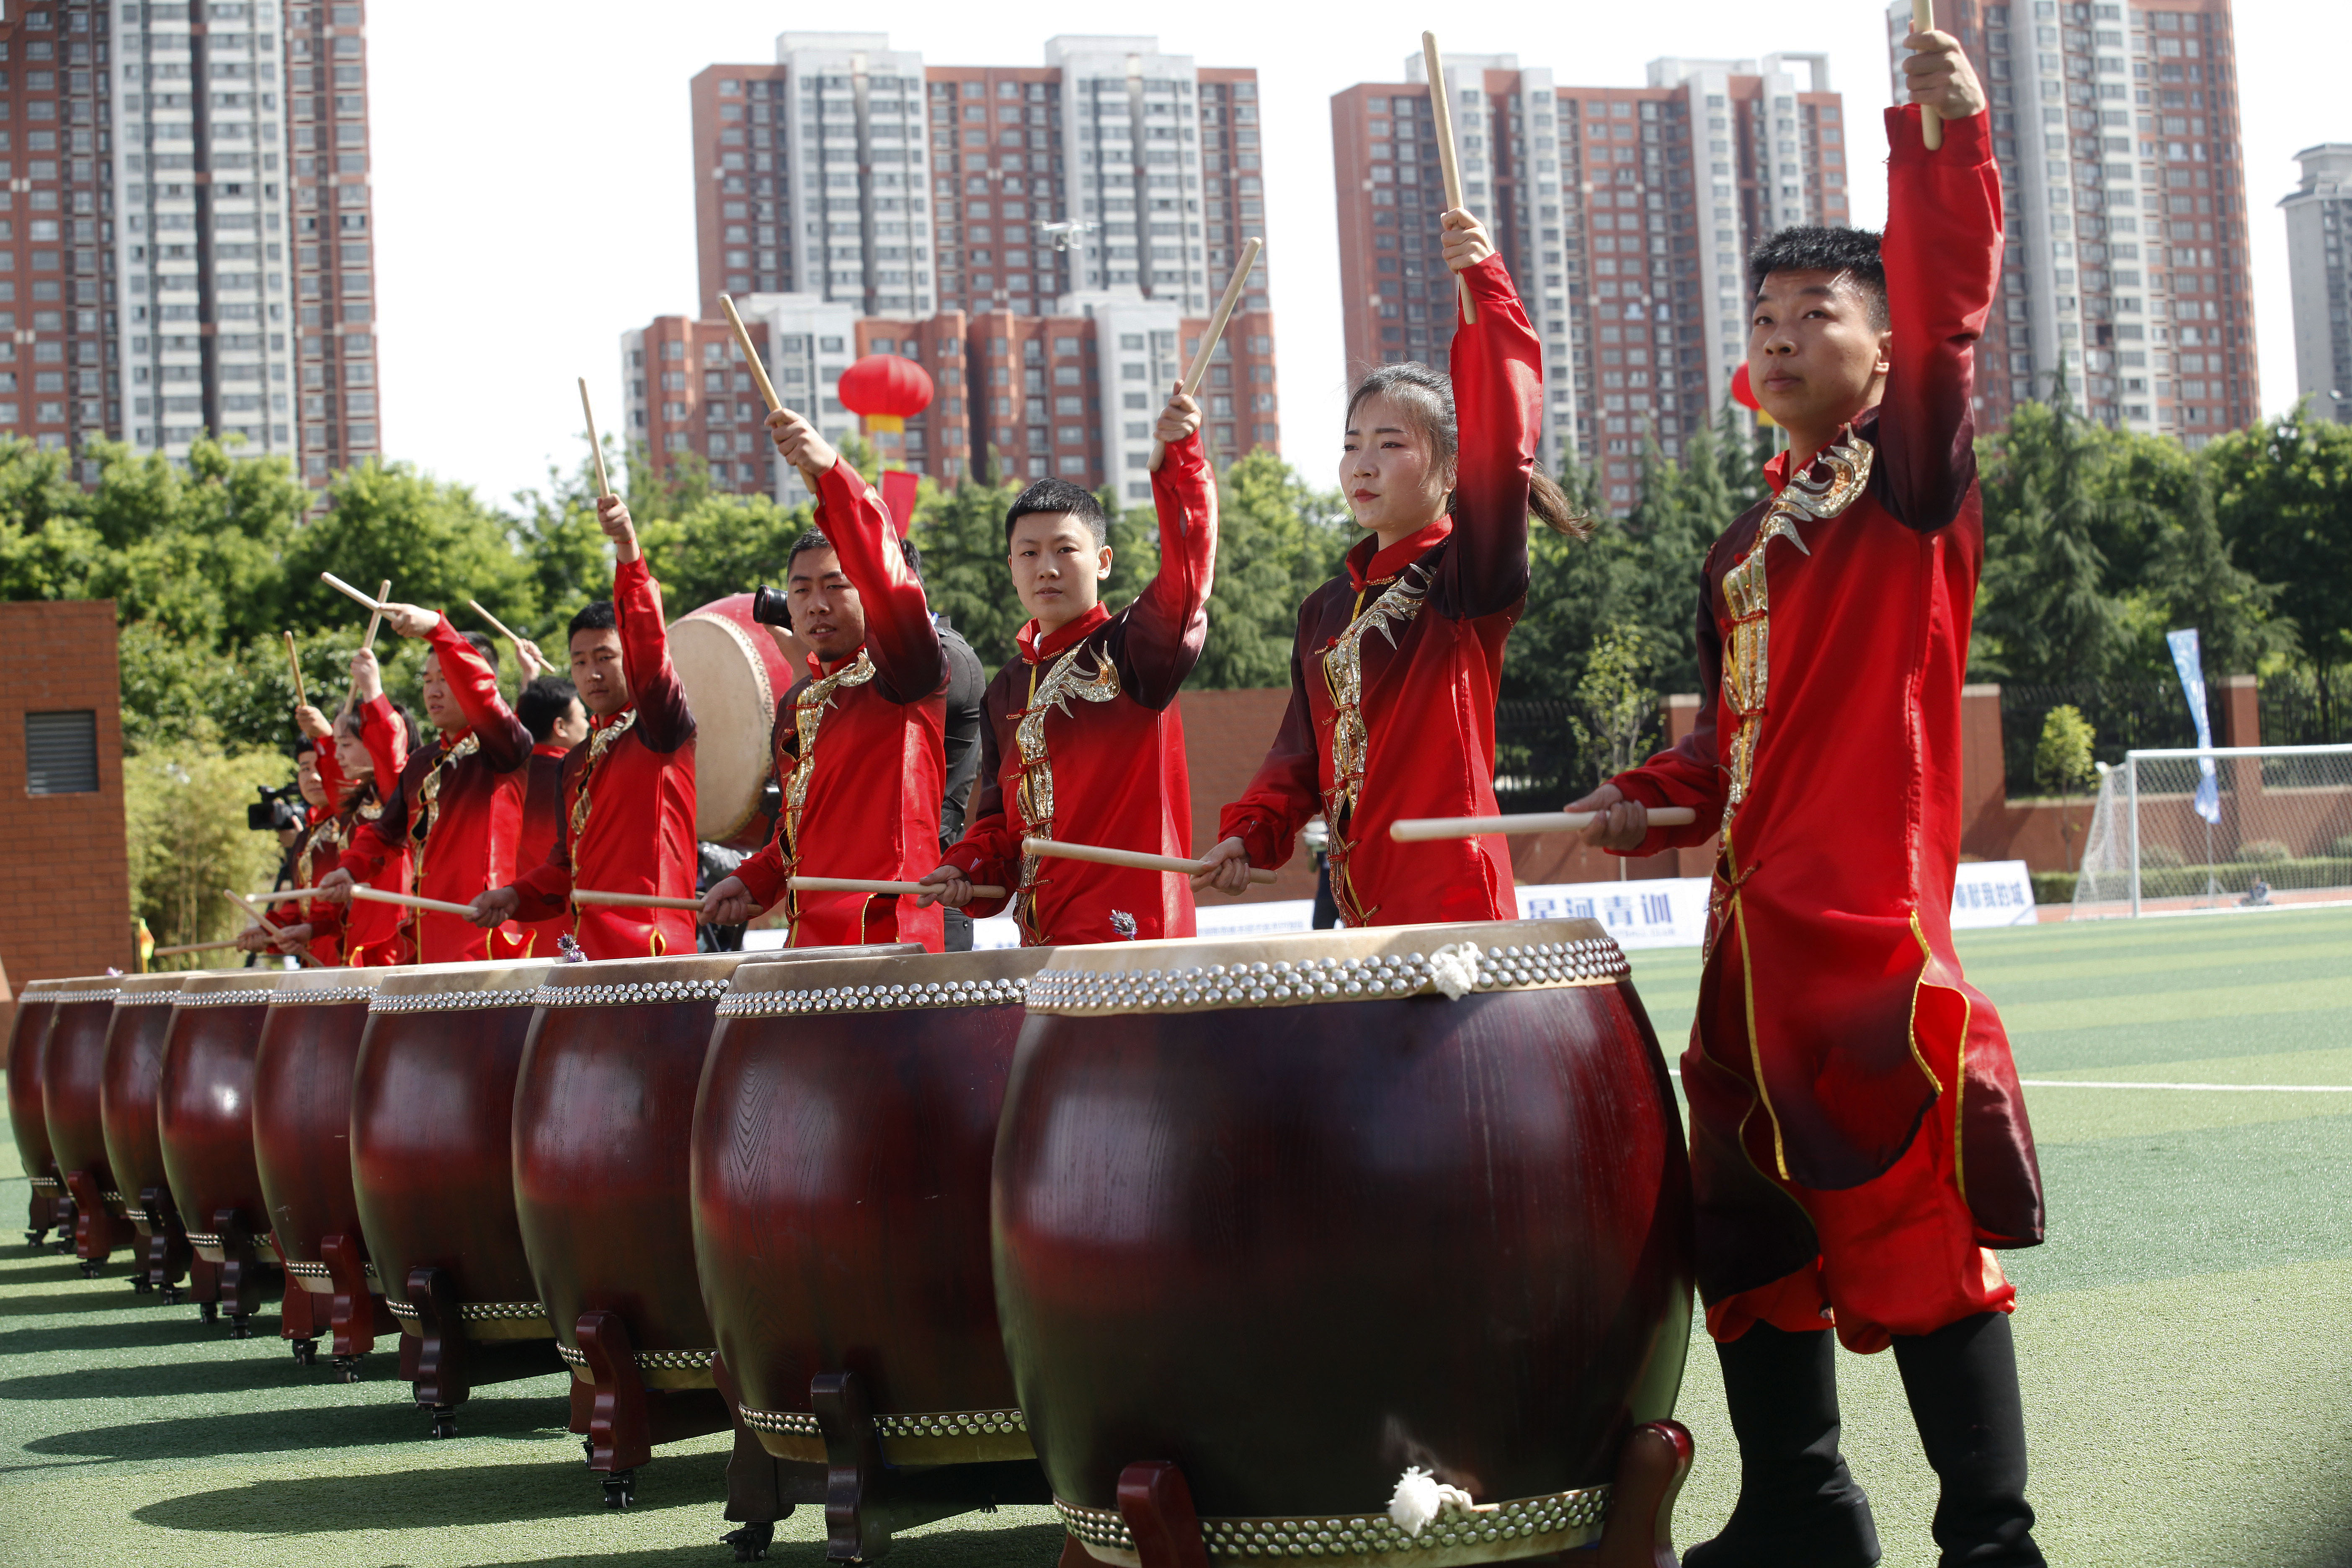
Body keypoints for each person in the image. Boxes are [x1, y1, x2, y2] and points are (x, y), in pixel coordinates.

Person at [1568, 33, 2044, 1568]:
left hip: (1862, 947)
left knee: (1910, 1235)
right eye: (1762, 319)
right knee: (1747, 1233)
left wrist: (1942, 141)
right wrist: (1648, 800)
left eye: (1815, 315)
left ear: (1884, 348)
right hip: (1747, 953)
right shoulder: (1744, 544)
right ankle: (1801, 1510)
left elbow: (1952, 304)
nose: (1778, 340)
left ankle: (1991, 1543)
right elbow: (1732, 750)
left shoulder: (1908, 482)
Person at [1194, 206, 1582, 924]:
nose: (1362, 464)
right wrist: (1249, 834)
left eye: (1390, 444)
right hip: (1361, 903)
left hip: (1454, 901)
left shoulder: (1465, 576)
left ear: (1454, 469)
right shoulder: (1324, 609)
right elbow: (1299, 755)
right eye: (1352, 444)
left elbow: (1503, 441)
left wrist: (1485, 291)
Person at [916, 382, 1214, 945]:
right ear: (1011, 567)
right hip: (1042, 945)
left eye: (1065, 549)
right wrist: (965, 870)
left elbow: (1188, 576)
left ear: (1103, 561)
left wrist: (1186, 462)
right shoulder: (1007, 689)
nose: (1046, 568)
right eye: (1029, 553)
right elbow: (1000, 826)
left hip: (1133, 942)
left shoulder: (1134, 646)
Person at [701, 409, 960, 950]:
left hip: (888, 942)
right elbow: (796, 833)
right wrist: (751, 882)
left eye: (836, 586)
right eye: (801, 591)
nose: (816, 604)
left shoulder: (904, 675)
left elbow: (891, 590)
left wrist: (833, 475)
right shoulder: (802, 704)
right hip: (809, 943)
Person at [468, 496, 699, 959]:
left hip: (653, 951)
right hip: (590, 951)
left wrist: (629, 553)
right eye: (579, 661)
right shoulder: (575, 762)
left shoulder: (659, 728)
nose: (592, 673)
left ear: (628, 659)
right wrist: (513, 895)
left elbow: (651, 658)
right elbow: (565, 868)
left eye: (605, 657)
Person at [318, 608, 532, 964]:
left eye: (445, 678)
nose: (433, 691)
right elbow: (387, 833)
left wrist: (438, 629)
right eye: (428, 680)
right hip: (429, 936)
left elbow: (483, 699)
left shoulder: (503, 747)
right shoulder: (421, 762)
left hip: (486, 932)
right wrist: (348, 870)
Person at [511, 673, 587, 958]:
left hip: (514, 925)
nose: (589, 724)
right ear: (560, 727)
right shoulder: (578, 780)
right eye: (583, 717)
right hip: (567, 926)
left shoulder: (508, 777)